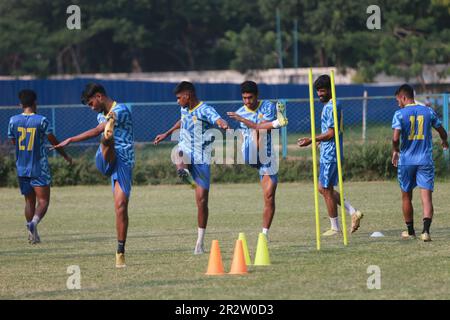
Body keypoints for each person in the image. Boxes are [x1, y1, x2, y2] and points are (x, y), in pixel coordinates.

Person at [52, 83, 134, 267]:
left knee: (121, 206)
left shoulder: (121, 110)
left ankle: (120, 251)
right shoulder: (101, 115)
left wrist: (71, 139)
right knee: (105, 138)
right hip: (104, 157)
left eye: (91, 103)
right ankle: (108, 137)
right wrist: (74, 139)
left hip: (123, 163)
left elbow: (101, 125)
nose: (91, 107)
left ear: (99, 96)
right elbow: (99, 129)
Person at [153, 81, 229, 254]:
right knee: (179, 153)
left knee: (202, 201)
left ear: (187, 95)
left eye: (179, 98)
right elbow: (182, 120)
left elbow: (217, 118)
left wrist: (222, 124)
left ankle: (200, 242)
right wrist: (166, 133)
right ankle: (183, 170)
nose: (178, 101)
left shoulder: (205, 109)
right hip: (185, 149)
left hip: (202, 158)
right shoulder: (184, 108)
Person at [298, 75, 363, 236]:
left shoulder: (331, 107)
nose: (319, 94)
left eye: (322, 91)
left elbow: (331, 133)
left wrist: (311, 140)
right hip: (329, 151)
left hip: (331, 154)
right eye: (318, 91)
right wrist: (320, 141)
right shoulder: (332, 105)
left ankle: (335, 227)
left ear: (330, 89)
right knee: (323, 188)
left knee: (325, 188)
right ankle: (353, 212)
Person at [8, 89, 72, 244]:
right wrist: (66, 156)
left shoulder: (13, 120)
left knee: (29, 201)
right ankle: (34, 223)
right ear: (35, 103)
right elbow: (53, 140)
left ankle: (32, 235)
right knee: (43, 201)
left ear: (20, 104)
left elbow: (13, 141)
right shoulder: (41, 120)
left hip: (22, 166)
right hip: (38, 166)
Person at [226, 81, 288, 240]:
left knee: (269, 196)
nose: (247, 101)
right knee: (257, 130)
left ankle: (264, 234)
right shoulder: (240, 113)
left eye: (250, 98)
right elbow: (257, 128)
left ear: (257, 95)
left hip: (267, 156)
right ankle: (277, 121)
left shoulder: (267, 106)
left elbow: (261, 126)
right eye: (244, 98)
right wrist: (275, 123)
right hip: (250, 153)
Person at [391, 84, 448, 241]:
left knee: (406, 197)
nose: (398, 104)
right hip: (425, 160)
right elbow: (442, 131)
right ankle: (426, 232)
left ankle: (410, 231)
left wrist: (395, 150)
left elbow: (395, 138)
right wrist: (444, 141)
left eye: (398, 100)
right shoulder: (428, 111)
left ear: (404, 97)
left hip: (406, 161)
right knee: (426, 198)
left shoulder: (399, 114)